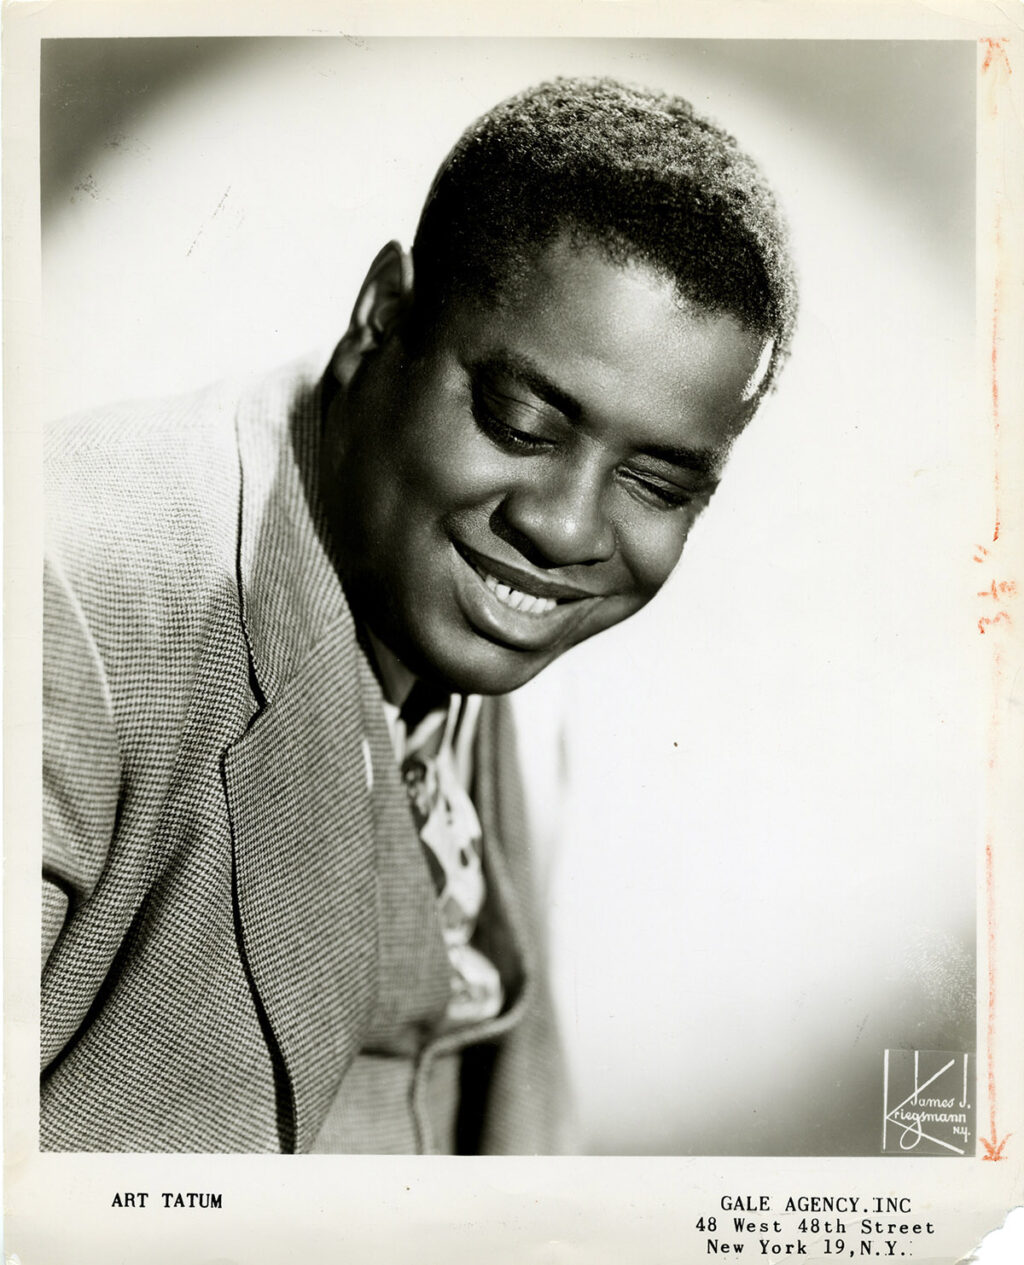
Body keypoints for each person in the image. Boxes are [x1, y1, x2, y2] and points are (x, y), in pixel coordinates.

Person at [41, 76, 797, 1153]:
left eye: (659, 484)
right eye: (522, 418)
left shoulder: (516, 674)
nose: (565, 528)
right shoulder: (71, 590)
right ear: (384, 313)